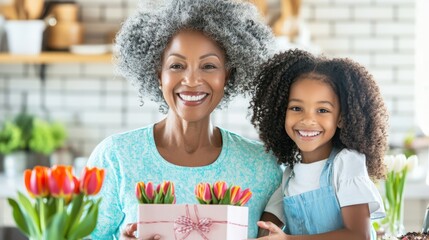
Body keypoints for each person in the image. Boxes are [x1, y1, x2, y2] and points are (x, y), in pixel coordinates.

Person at [86, 0, 283, 239]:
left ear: (227, 76)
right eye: (177, 65)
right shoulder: (115, 157)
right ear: (158, 75)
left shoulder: (261, 165)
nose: (191, 80)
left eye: (209, 66)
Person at [249, 49, 389, 239]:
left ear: (341, 118)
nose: (307, 120)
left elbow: (358, 235)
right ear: (281, 113)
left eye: (322, 110)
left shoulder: (347, 163)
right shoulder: (290, 176)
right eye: (296, 108)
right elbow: (268, 223)